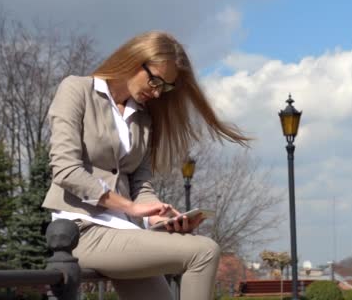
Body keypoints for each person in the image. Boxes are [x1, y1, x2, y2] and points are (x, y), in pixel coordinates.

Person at [42, 31, 249, 300]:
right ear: (133, 60)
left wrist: (158, 217)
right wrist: (130, 207)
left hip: (125, 233)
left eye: (165, 87)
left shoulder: (143, 118)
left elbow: (141, 184)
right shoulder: (77, 89)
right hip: (81, 231)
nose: (157, 92)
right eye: (155, 81)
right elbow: (65, 169)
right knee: (204, 251)